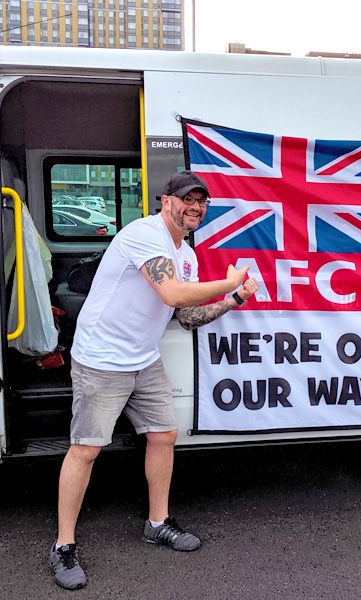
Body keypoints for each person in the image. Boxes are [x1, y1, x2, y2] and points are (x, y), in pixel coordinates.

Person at [50, 171, 260, 590]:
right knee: (86, 450)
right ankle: (63, 547)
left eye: (202, 202)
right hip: (102, 359)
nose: (195, 207)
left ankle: (157, 522)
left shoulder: (187, 256)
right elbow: (174, 295)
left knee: (164, 434)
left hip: (143, 358)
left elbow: (185, 317)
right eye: (187, 200)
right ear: (166, 201)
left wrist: (233, 300)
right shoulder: (144, 233)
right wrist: (231, 281)